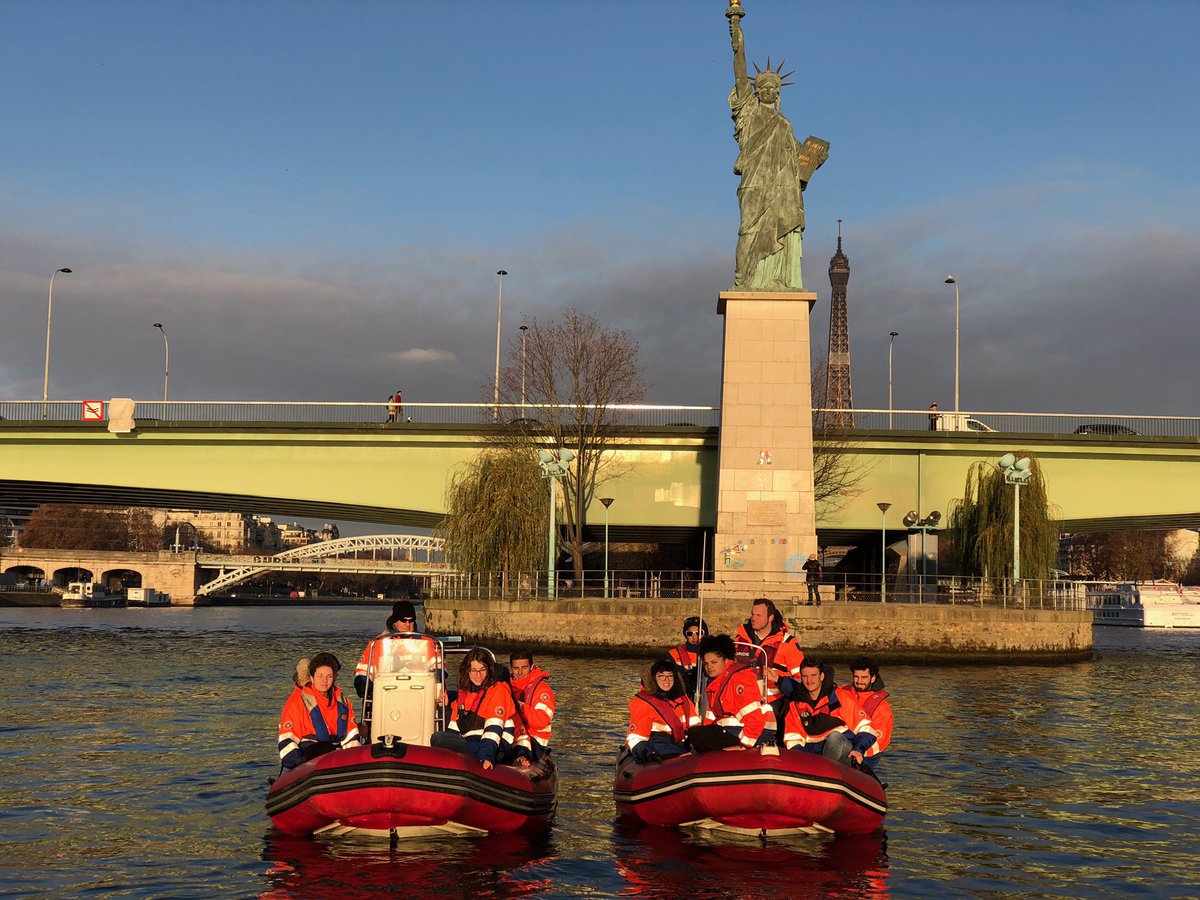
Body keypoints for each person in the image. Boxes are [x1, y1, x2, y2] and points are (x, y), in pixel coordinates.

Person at [726, 5, 827, 291]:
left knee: (784, 229)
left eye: (773, 88)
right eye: (763, 87)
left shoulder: (785, 125)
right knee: (748, 233)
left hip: (781, 191)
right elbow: (739, 66)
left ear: (778, 93)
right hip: (754, 185)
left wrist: (815, 158)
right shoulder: (747, 112)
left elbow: (798, 159)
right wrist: (735, 27)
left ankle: (780, 280)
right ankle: (743, 280)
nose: (768, 91)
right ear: (755, 91)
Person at [353, 601, 443, 737]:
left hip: (420, 699)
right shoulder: (378, 643)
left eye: (411, 620)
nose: (408, 624)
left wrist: (441, 687)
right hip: (387, 699)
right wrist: (363, 684)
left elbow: (440, 669)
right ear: (394, 621)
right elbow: (363, 670)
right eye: (404, 620)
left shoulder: (427, 642)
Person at [733, 598, 805, 740]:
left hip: (774, 698)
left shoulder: (788, 643)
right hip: (743, 696)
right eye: (752, 614)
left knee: (770, 718)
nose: (753, 618)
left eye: (758, 615)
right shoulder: (740, 640)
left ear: (770, 617)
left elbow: (801, 682)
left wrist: (778, 679)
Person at [432, 648, 516, 770]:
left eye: (482, 670)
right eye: (474, 671)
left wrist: (486, 756)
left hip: (496, 747)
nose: (478, 675)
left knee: (438, 739)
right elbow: (455, 727)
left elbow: (493, 729)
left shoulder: (498, 690)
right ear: (467, 671)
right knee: (441, 737)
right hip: (473, 742)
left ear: (489, 670)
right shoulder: (465, 693)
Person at [277, 652, 361, 770]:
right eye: (320, 676)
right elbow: (287, 739)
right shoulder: (297, 703)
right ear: (312, 678)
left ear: (335, 677)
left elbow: (351, 736)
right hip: (309, 757)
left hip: (337, 756)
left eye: (329, 676)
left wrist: (353, 760)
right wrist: (299, 761)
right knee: (323, 748)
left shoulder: (344, 704)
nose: (324, 681)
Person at [695, 634, 774, 750]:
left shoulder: (739, 678)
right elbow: (710, 718)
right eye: (706, 664)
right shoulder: (716, 683)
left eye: (714, 662)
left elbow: (754, 718)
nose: (709, 667)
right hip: (732, 730)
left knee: (697, 735)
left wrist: (743, 746)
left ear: (727, 660)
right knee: (694, 734)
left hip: (753, 731)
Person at [781, 658, 866, 766]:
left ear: (821, 676)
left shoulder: (840, 697)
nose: (809, 680)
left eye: (813, 675)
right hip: (813, 756)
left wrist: (859, 750)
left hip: (844, 755)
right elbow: (793, 739)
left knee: (834, 738)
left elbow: (865, 728)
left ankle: (822, 771)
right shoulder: (795, 706)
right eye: (805, 676)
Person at [626, 660, 700, 763]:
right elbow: (636, 738)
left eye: (670, 676)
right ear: (654, 679)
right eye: (661, 676)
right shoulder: (645, 703)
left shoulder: (684, 700)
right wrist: (646, 753)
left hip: (684, 744)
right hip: (659, 746)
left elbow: (695, 726)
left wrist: (697, 747)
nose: (666, 680)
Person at [836, 657, 894, 771]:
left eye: (864, 677)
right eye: (856, 676)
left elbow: (879, 742)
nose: (859, 681)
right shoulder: (842, 691)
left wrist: (858, 750)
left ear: (873, 678)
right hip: (841, 744)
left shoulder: (882, 708)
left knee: (835, 738)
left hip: (863, 755)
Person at [509, 650, 555, 761]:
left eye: (524, 668)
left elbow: (541, 720)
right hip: (512, 734)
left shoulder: (542, 690)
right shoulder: (506, 686)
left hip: (535, 741)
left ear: (531, 667)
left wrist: (519, 706)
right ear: (511, 668)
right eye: (516, 668)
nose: (520, 672)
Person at [668, 616, 708, 699]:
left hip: (706, 696)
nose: (694, 636)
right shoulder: (674, 654)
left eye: (699, 633)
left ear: (705, 633)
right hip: (683, 696)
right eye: (690, 633)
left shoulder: (712, 653)